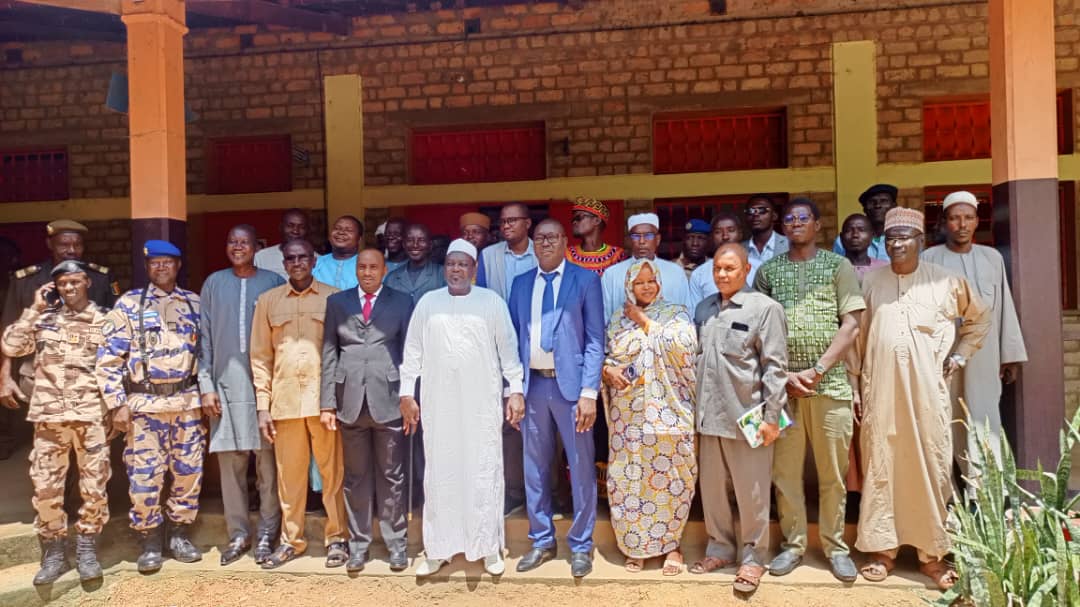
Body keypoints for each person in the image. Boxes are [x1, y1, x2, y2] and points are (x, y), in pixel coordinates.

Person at [853, 207, 989, 590]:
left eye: (904, 237)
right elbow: (856, 338)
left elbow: (979, 319)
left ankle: (933, 555)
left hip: (928, 395)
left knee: (931, 465)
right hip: (879, 392)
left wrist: (960, 355)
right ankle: (883, 550)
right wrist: (853, 386)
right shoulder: (871, 282)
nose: (896, 244)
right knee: (882, 465)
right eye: (890, 237)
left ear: (921, 241)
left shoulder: (946, 282)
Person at [753, 198, 864, 582]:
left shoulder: (838, 266)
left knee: (833, 474)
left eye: (803, 218)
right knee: (784, 473)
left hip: (829, 386)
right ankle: (793, 545)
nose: (796, 223)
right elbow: (757, 332)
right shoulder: (768, 272)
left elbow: (851, 325)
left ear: (817, 225)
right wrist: (784, 376)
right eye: (789, 218)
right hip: (781, 393)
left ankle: (836, 547)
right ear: (782, 227)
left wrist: (817, 371)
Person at [399, 239, 525, 577]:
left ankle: (487, 547)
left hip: (481, 404)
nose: (456, 270)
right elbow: (413, 351)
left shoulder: (491, 302)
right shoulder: (429, 303)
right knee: (441, 473)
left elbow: (508, 351)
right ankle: (439, 548)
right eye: (451, 264)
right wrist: (407, 393)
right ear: (445, 268)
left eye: (463, 264)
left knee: (483, 470)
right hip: (439, 405)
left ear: (474, 269)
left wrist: (515, 390)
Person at [96, 240, 204, 574]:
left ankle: (179, 535)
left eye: (167, 262)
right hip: (144, 408)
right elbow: (108, 359)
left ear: (178, 265)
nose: (161, 268)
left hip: (186, 404)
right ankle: (150, 540)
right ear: (147, 267)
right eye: (155, 263)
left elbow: (208, 353)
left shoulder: (194, 303)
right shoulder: (129, 305)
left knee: (188, 474)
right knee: (144, 478)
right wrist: (116, 404)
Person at [1, 261, 112, 584]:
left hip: (90, 415)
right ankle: (53, 553)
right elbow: (11, 346)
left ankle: (87, 550)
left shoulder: (105, 320)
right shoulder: (43, 320)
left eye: (75, 281)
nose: (69, 288)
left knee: (94, 487)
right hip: (50, 418)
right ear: (55, 287)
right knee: (47, 488)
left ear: (87, 282)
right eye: (62, 283)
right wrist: (34, 309)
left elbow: (116, 367)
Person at [690, 244, 788, 594]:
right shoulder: (704, 309)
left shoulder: (765, 308)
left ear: (746, 270)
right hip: (709, 416)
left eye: (730, 268)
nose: (722, 274)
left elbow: (775, 367)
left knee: (753, 493)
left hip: (749, 417)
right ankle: (719, 549)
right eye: (717, 268)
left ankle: (753, 556)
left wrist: (772, 418)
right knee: (712, 490)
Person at [507, 219, 603, 579]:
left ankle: (581, 544)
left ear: (565, 242)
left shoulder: (585, 280)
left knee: (580, 466)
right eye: (540, 238)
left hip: (573, 390)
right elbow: (513, 340)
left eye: (552, 237)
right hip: (532, 386)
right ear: (533, 244)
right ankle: (542, 540)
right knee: (534, 467)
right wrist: (514, 389)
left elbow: (595, 340)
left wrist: (589, 393)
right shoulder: (520, 284)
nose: (545, 243)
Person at [250, 238, 347, 569]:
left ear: (314, 260)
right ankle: (292, 540)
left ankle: (337, 538)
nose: (297, 263)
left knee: (332, 474)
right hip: (286, 402)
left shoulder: (334, 297)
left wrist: (335, 401)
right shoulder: (268, 301)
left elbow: (341, 352)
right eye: (290, 258)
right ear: (283, 263)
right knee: (289, 478)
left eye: (303, 257)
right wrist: (263, 406)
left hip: (324, 404)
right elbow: (260, 356)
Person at [921, 191, 1027, 488]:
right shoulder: (929, 259)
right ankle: (953, 491)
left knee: (984, 415)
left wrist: (1009, 355)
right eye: (955, 218)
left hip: (985, 352)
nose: (962, 225)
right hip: (945, 354)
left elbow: (1004, 306)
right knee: (950, 418)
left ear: (977, 221)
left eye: (968, 218)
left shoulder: (992, 258)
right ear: (944, 222)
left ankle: (985, 492)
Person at [602, 259, 697, 576]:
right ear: (629, 286)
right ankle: (636, 545)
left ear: (659, 282)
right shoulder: (618, 318)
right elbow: (608, 355)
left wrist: (644, 321)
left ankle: (672, 546)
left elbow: (684, 349)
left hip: (669, 414)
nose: (646, 287)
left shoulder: (677, 313)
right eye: (639, 282)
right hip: (628, 416)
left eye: (650, 281)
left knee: (670, 480)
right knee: (629, 479)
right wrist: (608, 370)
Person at [322, 248, 413, 573]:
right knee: (356, 477)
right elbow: (329, 352)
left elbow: (409, 353)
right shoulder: (337, 302)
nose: (368, 272)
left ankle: (396, 544)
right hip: (349, 401)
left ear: (384, 270)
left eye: (374, 267)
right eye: (362, 267)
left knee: (392, 475)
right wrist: (327, 403)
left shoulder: (402, 302)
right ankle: (358, 546)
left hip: (388, 399)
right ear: (356, 270)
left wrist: (410, 397)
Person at [198, 225, 285, 566]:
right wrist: (206, 385)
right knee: (231, 464)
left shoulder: (272, 282)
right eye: (232, 241)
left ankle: (267, 531)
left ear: (256, 247)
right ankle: (237, 533)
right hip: (225, 387)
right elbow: (205, 337)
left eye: (244, 242)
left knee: (268, 464)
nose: (238, 247)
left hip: (264, 389)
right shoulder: (213, 283)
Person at [0, 220, 118, 458]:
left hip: (87, 381)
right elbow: (8, 329)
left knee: (89, 451)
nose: (71, 250)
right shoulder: (26, 280)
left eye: (77, 244)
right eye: (64, 244)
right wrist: (4, 377)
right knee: (50, 448)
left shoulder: (99, 278)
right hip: (43, 382)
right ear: (49, 244)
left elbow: (116, 336)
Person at [476, 203, 535, 515]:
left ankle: (545, 492)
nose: (507, 226)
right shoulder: (488, 256)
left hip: (535, 345)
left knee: (538, 423)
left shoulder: (542, 252)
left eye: (513, 220)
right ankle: (512, 490)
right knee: (507, 421)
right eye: (503, 222)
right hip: (499, 349)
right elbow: (483, 298)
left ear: (528, 223)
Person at [600, 213, 690, 323]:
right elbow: (605, 318)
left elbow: (686, 315)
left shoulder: (675, 273)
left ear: (658, 239)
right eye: (636, 236)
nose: (642, 241)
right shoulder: (612, 275)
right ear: (629, 240)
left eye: (648, 236)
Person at [688, 211, 744, 308]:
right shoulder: (699, 274)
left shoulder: (756, 267)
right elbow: (696, 312)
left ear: (740, 234)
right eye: (718, 232)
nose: (725, 236)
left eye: (731, 230)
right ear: (711, 237)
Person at [384, 224, 446, 306]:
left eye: (421, 240)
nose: (415, 245)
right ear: (404, 244)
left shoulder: (442, 274)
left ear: (430, 245)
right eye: (410, 240)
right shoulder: (392, 278)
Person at [565, 196, 627, 276]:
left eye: (579, 218)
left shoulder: (617, 255)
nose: (574, 222)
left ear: (597, 220)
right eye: (573, 219)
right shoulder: (568, 255)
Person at [833, 184, 897, 259]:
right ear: (864, 209)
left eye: (884, 201)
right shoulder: (845, 240)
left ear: (894, 206)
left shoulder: (903, 239)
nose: (877, 205)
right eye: (872, 202)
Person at [743, 194, 789, 286]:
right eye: (751, 211)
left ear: (774, 216)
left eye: (762, 210)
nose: (755, 214)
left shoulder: (790, 245)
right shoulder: (738, 249)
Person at [254, 209, 310, 279]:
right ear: (281, 227)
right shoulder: (260, 257)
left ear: (307, 230)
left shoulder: (318, 261)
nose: (295, 231)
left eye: (302, 227)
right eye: (290, 226)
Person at [314, 215, 364, 290]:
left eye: (349, 230)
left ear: (359, 239)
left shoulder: (366, 264)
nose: (341, 232)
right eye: (337, 228)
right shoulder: (316, 263)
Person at [840, 213, 889, 282]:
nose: (855, 235)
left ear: (871, 236)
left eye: (861, 230)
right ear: (841, 237)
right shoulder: (831, 269)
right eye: (848, 230)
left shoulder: (885, 269)